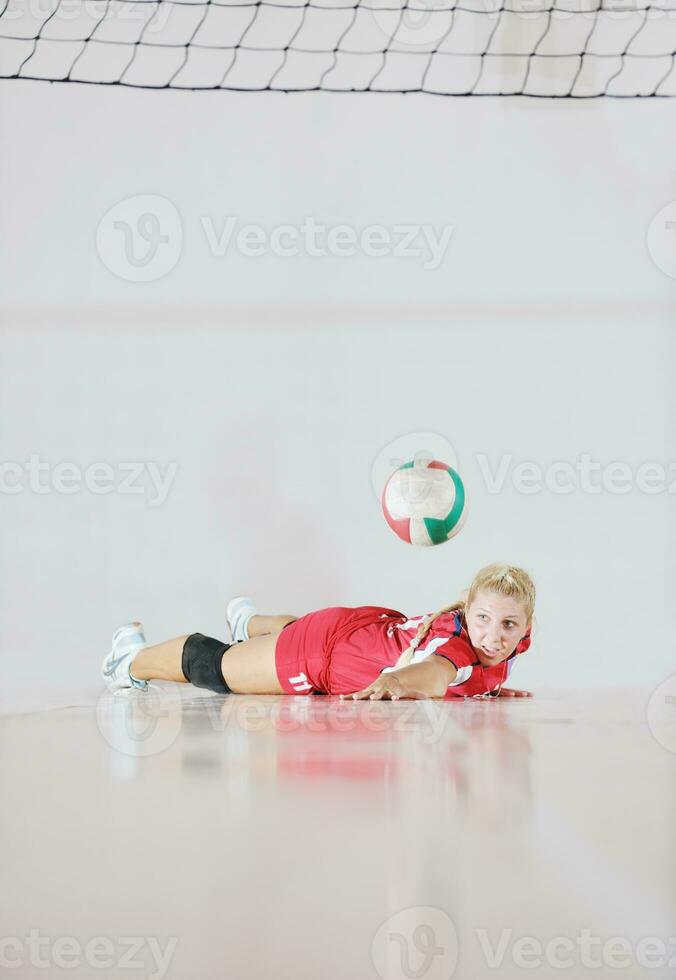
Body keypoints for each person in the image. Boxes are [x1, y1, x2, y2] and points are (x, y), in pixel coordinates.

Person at [101, 562, 535, 701]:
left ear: (526, 628)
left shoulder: (504, 650)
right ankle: (128, 660)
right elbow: (438, 672)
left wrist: (489, 688)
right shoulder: (456, 647)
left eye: (508, 625)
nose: (492, 636)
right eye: (482, 619)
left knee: (291, 632)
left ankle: (249, 623)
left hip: (358, 629)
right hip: (322, 655)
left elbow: (466, 674)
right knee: (213, 666)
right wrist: (395, 683)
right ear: (467, 609)